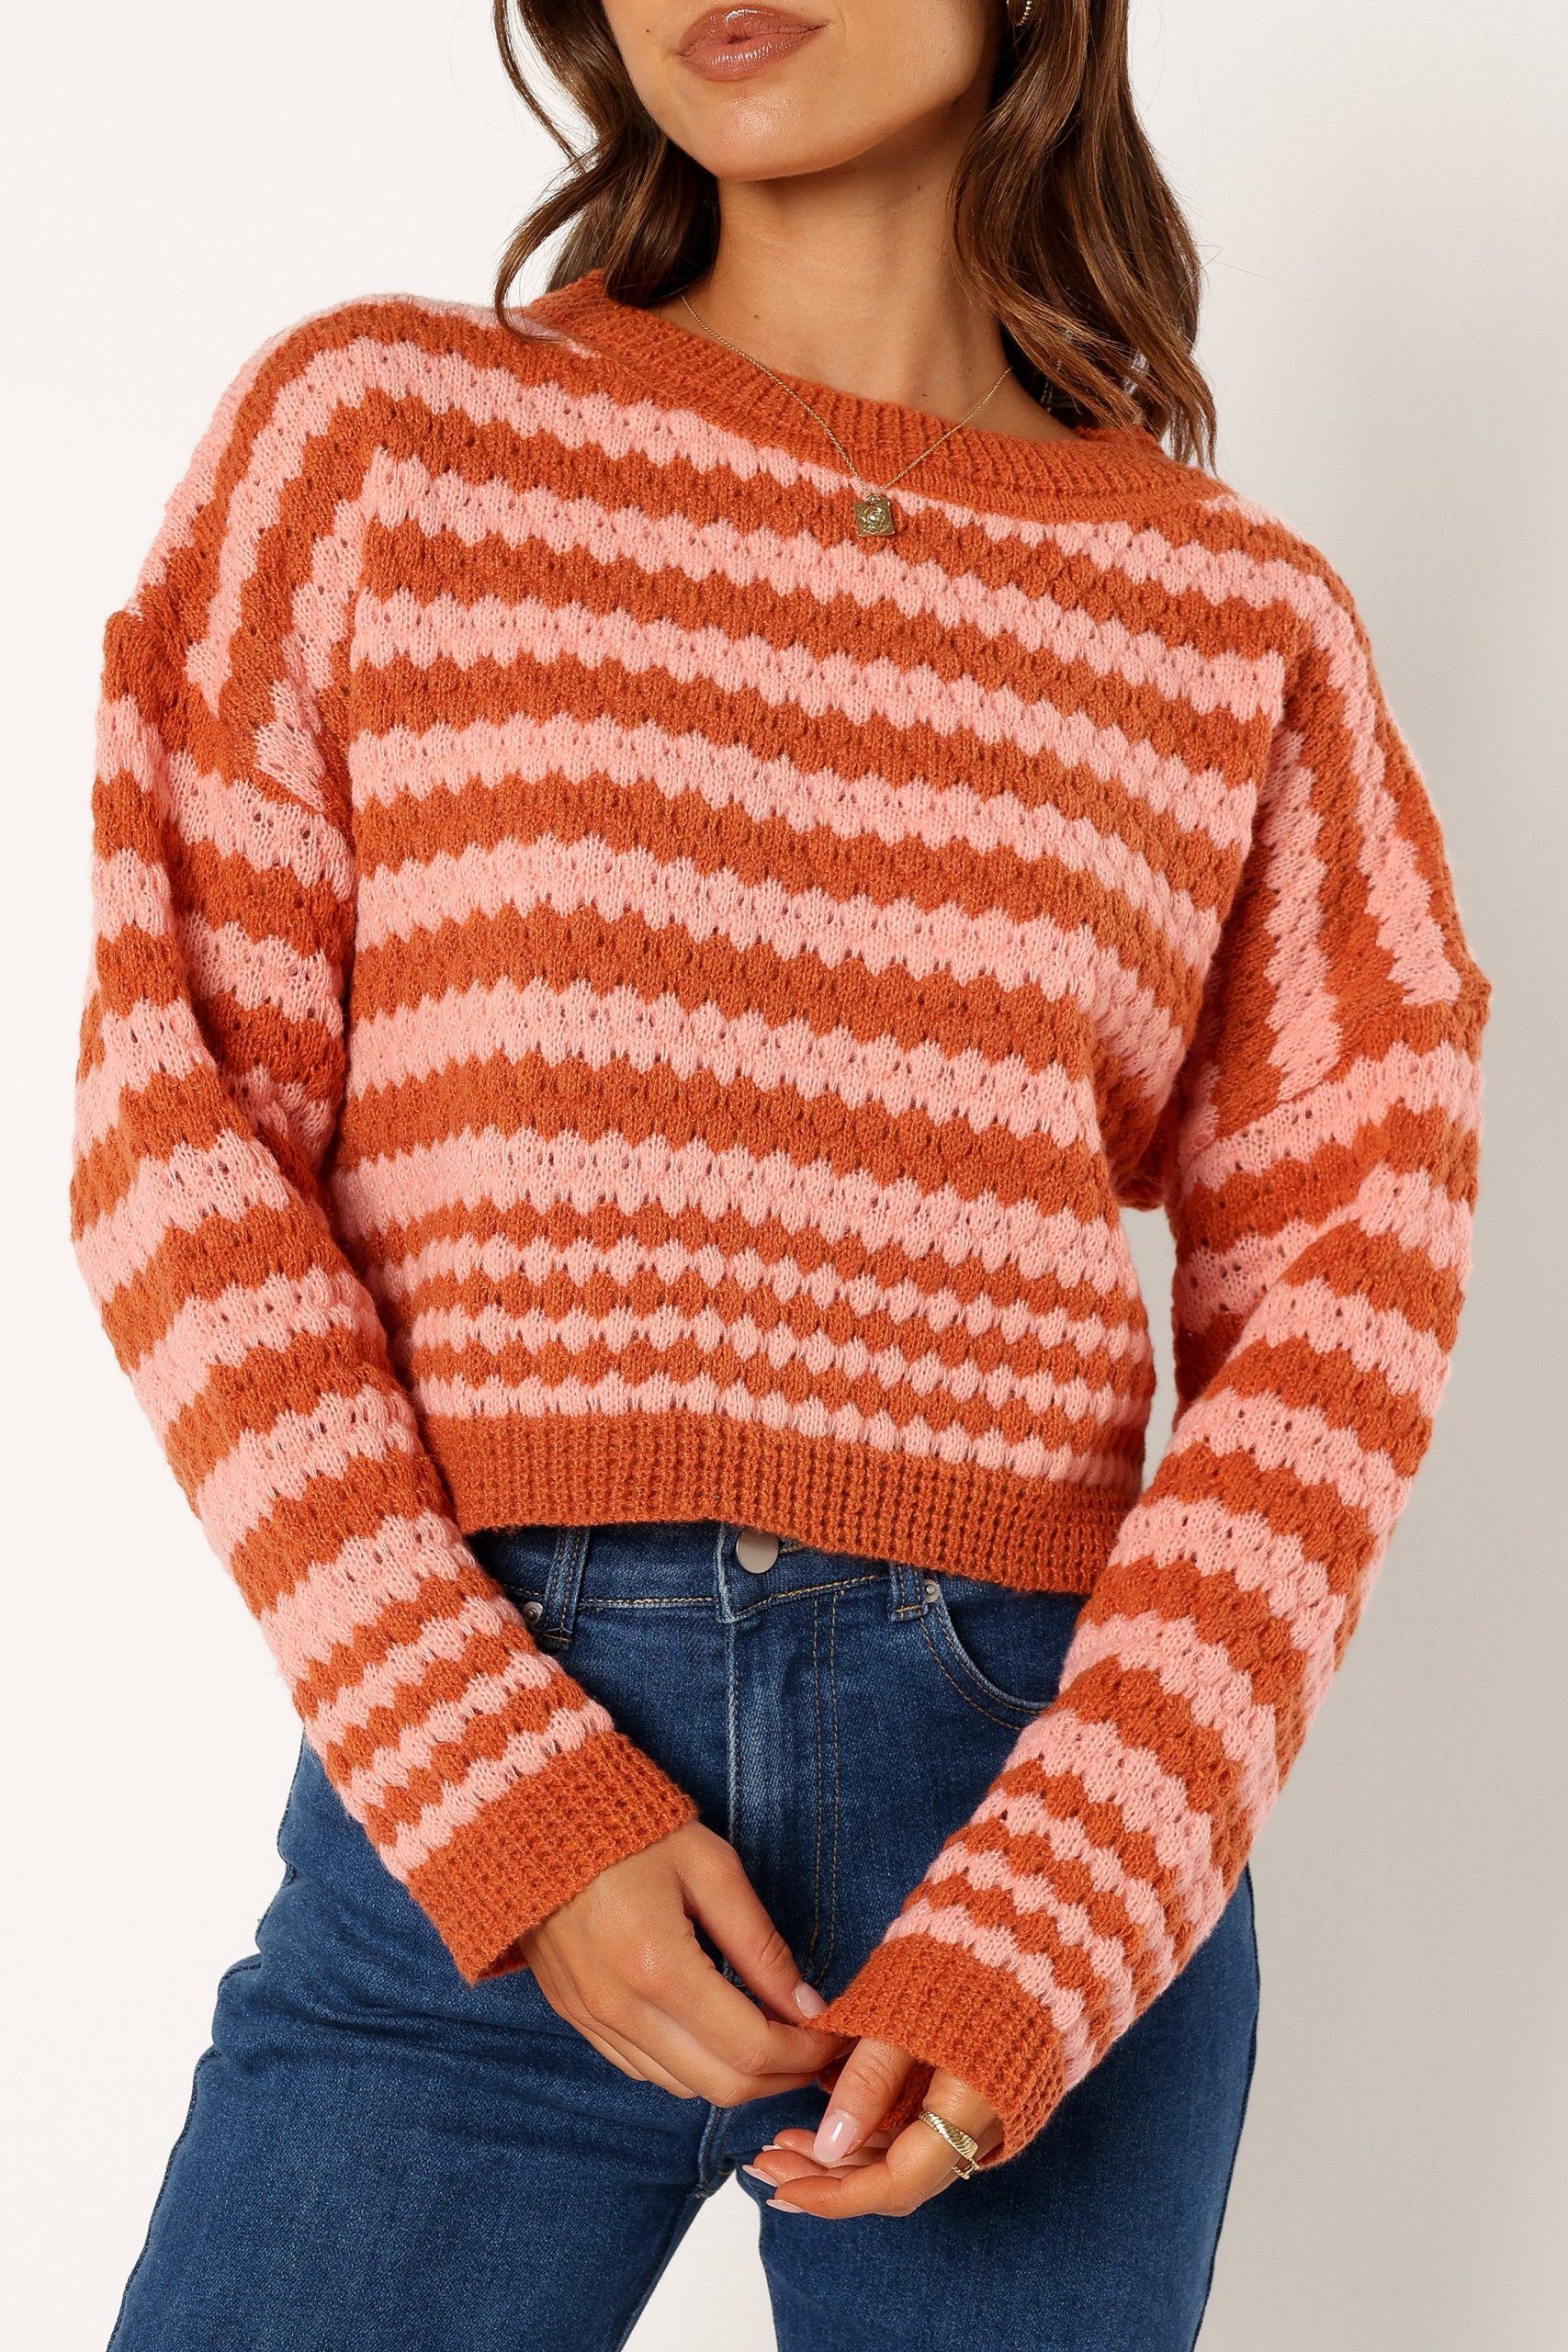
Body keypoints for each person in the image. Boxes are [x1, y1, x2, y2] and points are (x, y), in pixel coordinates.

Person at [71, 4, 1492, 2346]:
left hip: (1023, 1847)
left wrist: (1072, 1889)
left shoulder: (1232, 623)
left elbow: (1345, 1295)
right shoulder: (380, 445)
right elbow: (174, 1116)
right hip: (479, 1781)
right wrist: (498, 1782)